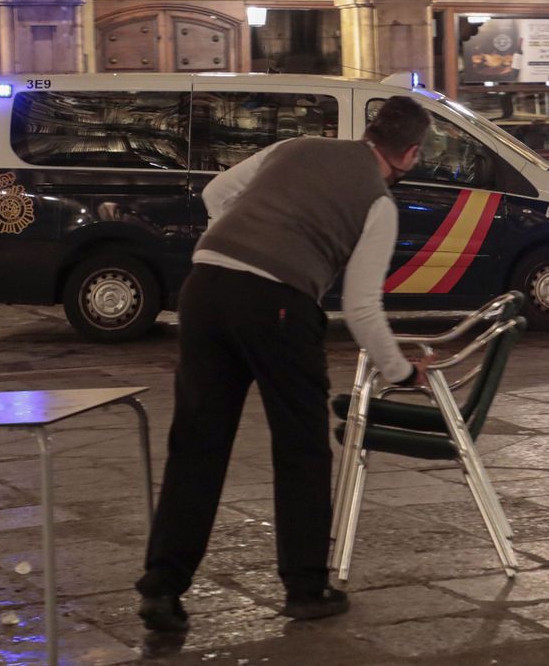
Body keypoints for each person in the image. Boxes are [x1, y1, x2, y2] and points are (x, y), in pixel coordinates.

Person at [136, 96, 433, 633]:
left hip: (205, 287)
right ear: (410, 154)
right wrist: (401, 372)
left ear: (370, 130)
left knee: (197, 443)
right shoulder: (378, 202)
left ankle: (162, 587)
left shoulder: (296, 147)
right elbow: (362, 308)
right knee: (300, 446)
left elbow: (216, 192)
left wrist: (244, 245)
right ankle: (305, 587)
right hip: (278, 305)